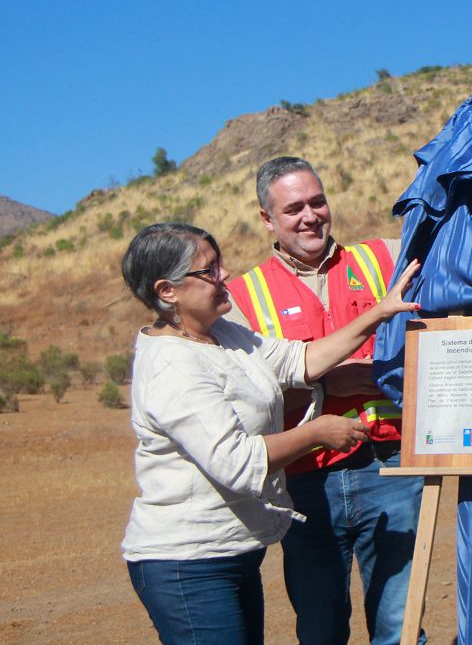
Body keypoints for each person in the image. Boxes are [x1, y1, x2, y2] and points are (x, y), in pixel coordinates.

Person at [120, 222, 419, 645]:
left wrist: (380, 312)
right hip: (187, 562)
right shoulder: (173, 363)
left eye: (218, 263)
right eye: (207, 272)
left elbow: (303, 359)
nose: (222, 276)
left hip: (230, 551)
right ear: (167, 291)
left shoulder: (222, 335)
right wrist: (317, 432)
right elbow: (237, 462)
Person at [225, 157, 424, 645]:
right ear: (267, 219)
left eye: (318, 202)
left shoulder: (384, 258)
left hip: (391, 468)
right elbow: (236, 387)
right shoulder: (239, 296)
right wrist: (324, 387)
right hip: (303, 481)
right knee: (320, 627)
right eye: (294, 208)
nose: (311, 216)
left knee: (399, 623)